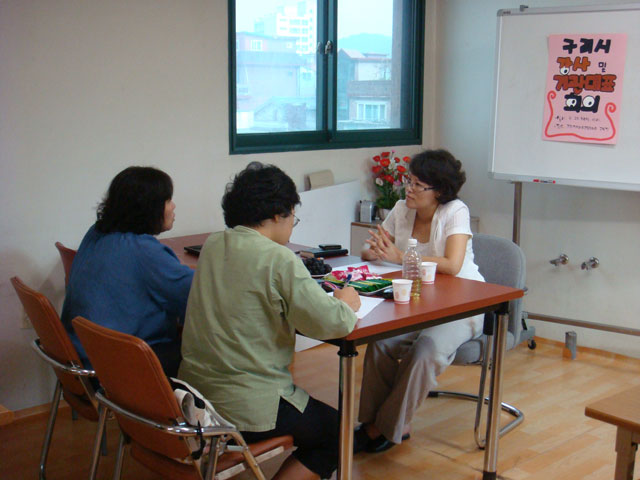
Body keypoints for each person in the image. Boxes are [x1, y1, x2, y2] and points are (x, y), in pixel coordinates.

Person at [178, 162, 360, 480]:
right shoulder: (279, 258)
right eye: (293, 216)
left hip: (197, 393)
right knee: (338, 430)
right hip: (246, 405)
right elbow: (334, 323)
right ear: (278, 214)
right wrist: (346, 303)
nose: (293, 225)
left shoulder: (213, 244)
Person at [357, 149, 485, 453]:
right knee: (381, 343)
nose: (408, 189)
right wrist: (376, 251)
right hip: (417, 300)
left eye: (416, 185)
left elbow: (453, 265)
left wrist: (399, 256)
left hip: (463, 304)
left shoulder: (455, 211)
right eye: (408, 181)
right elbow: (367, 249)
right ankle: (370, 422)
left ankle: (385, 428)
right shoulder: (402, 208)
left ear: (438, 191)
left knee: (426, 349)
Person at [61, 166, 194, 378]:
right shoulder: (143, 251)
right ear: (149, 208)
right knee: (206, 354)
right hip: (120, 367)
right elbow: (198, 296)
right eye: (168, 200)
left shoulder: (97, 232)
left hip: (83, 355)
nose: (173, 206)